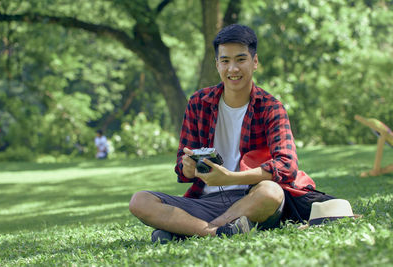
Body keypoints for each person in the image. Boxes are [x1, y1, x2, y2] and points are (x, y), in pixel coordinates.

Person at [129, 24, 319, 243]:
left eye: (240, 59)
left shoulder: (271, 107)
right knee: (140, 200)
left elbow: (287, 167)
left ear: (254, 62)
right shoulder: (198, 103)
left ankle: (185, 230)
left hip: (252, 198)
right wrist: (188, 166)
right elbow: (182, 171)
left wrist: (230, 178)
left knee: (271, 193)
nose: (233, 69)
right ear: (217, 64)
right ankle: (217, 231)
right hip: (205, 200)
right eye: (225, 61)